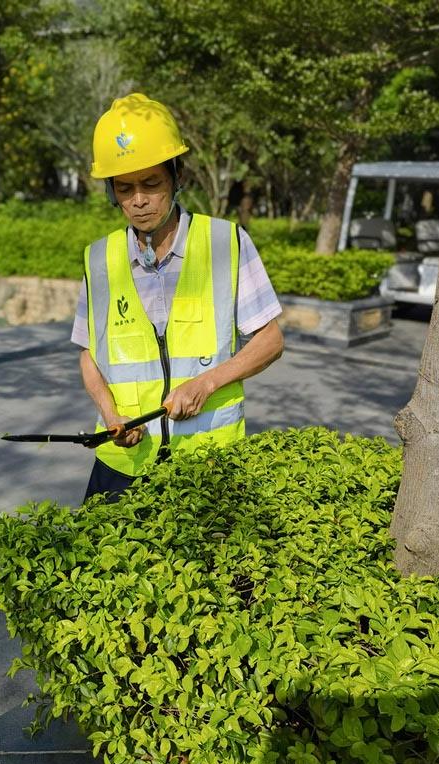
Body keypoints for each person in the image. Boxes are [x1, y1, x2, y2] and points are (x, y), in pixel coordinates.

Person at [73, 93, 285, 502]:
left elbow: (270, 340)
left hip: (209, 465)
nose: (138, 200)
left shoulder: (225, 242)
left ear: (176, 175)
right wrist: (111, 415)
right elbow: (88, 354)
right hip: (124, 466)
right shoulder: (98, 259)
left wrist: (206, 383)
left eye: (151, 184)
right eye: (124, 188)